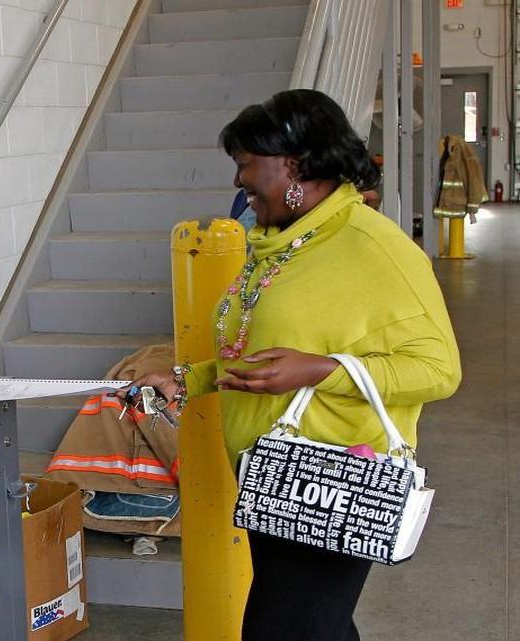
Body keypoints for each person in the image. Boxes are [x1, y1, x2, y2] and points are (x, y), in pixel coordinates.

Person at [125, 89, 461, 641]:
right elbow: (260, 351)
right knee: (316, 628)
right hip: (274, 483)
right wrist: (190, 378)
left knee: (282, 630)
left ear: (296, 164)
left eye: (246, 164)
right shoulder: (281, 244)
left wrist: (321, 370)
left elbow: (440, 368)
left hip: (336, 486)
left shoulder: (372, 247)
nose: (239, 181)